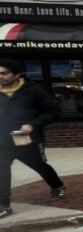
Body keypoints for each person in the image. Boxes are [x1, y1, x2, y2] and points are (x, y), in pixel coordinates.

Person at [0, 58, 65, 218]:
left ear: (16, 74)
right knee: (1, 170)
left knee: (39, 165)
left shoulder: (33, 91)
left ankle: (57, 185)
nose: (0, 76)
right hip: (3, 141)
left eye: (4, 73)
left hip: (28, 140)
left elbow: (53, 111)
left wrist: (32, 124)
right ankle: (3, 205)